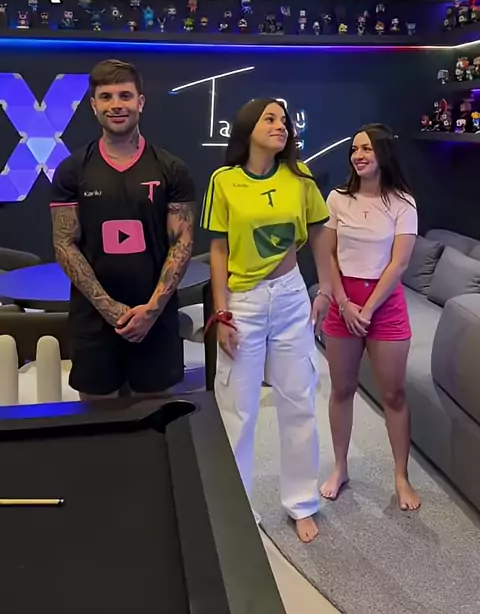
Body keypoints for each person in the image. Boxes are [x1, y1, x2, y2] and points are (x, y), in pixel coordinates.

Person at [201, 98, 332, 543]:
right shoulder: (224, 180)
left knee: (299, 400)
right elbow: (218, 248)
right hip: (244, 302)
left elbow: (320, 234)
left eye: (284, 120)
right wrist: (221, 312)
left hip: (292, 295)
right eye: (270, 119)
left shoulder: (300, 177)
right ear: (247, 128)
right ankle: (237, 507)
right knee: (238, 408)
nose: (281, 125)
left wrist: (325, 289)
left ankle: (302, 502)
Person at [50, 59, 196, 400]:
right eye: (106, 97)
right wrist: (111, 309)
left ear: (140, 102)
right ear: (93, 105)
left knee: (155, 418)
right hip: (94, 322)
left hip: (156, 320)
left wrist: (152, 309)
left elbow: (182, 242)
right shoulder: (72, 170)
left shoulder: (172, 169)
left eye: (125, 96)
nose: (116, 105)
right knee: (97, 421)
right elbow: (64, 244)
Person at [320, 123, 420, 511]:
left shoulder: (403, 202)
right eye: (354, 149)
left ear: (383, 153)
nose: (358, 155)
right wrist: (345, 303)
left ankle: (401, 477)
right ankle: (340, 467)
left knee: (393, 394)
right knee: (341, 390)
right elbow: (328, 255)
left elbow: (399, 264)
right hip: (344, 302)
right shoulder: (337, 198)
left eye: (366, 149)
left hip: (385, 305)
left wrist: (368, 308)